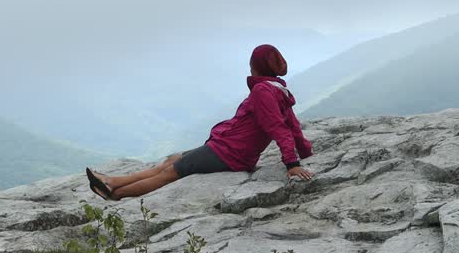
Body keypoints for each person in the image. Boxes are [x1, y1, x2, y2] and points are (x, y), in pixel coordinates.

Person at [87, 44, 315, 200]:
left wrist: (291, 164)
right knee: (173, 160)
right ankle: (111, 181)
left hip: (229, 153)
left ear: (257, 66)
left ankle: (114, 194)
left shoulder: (263, 92)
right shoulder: (277, 90)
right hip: (226, 148)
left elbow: (279, 127)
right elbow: (292, 125)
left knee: (169, 173)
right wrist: (304, 151)